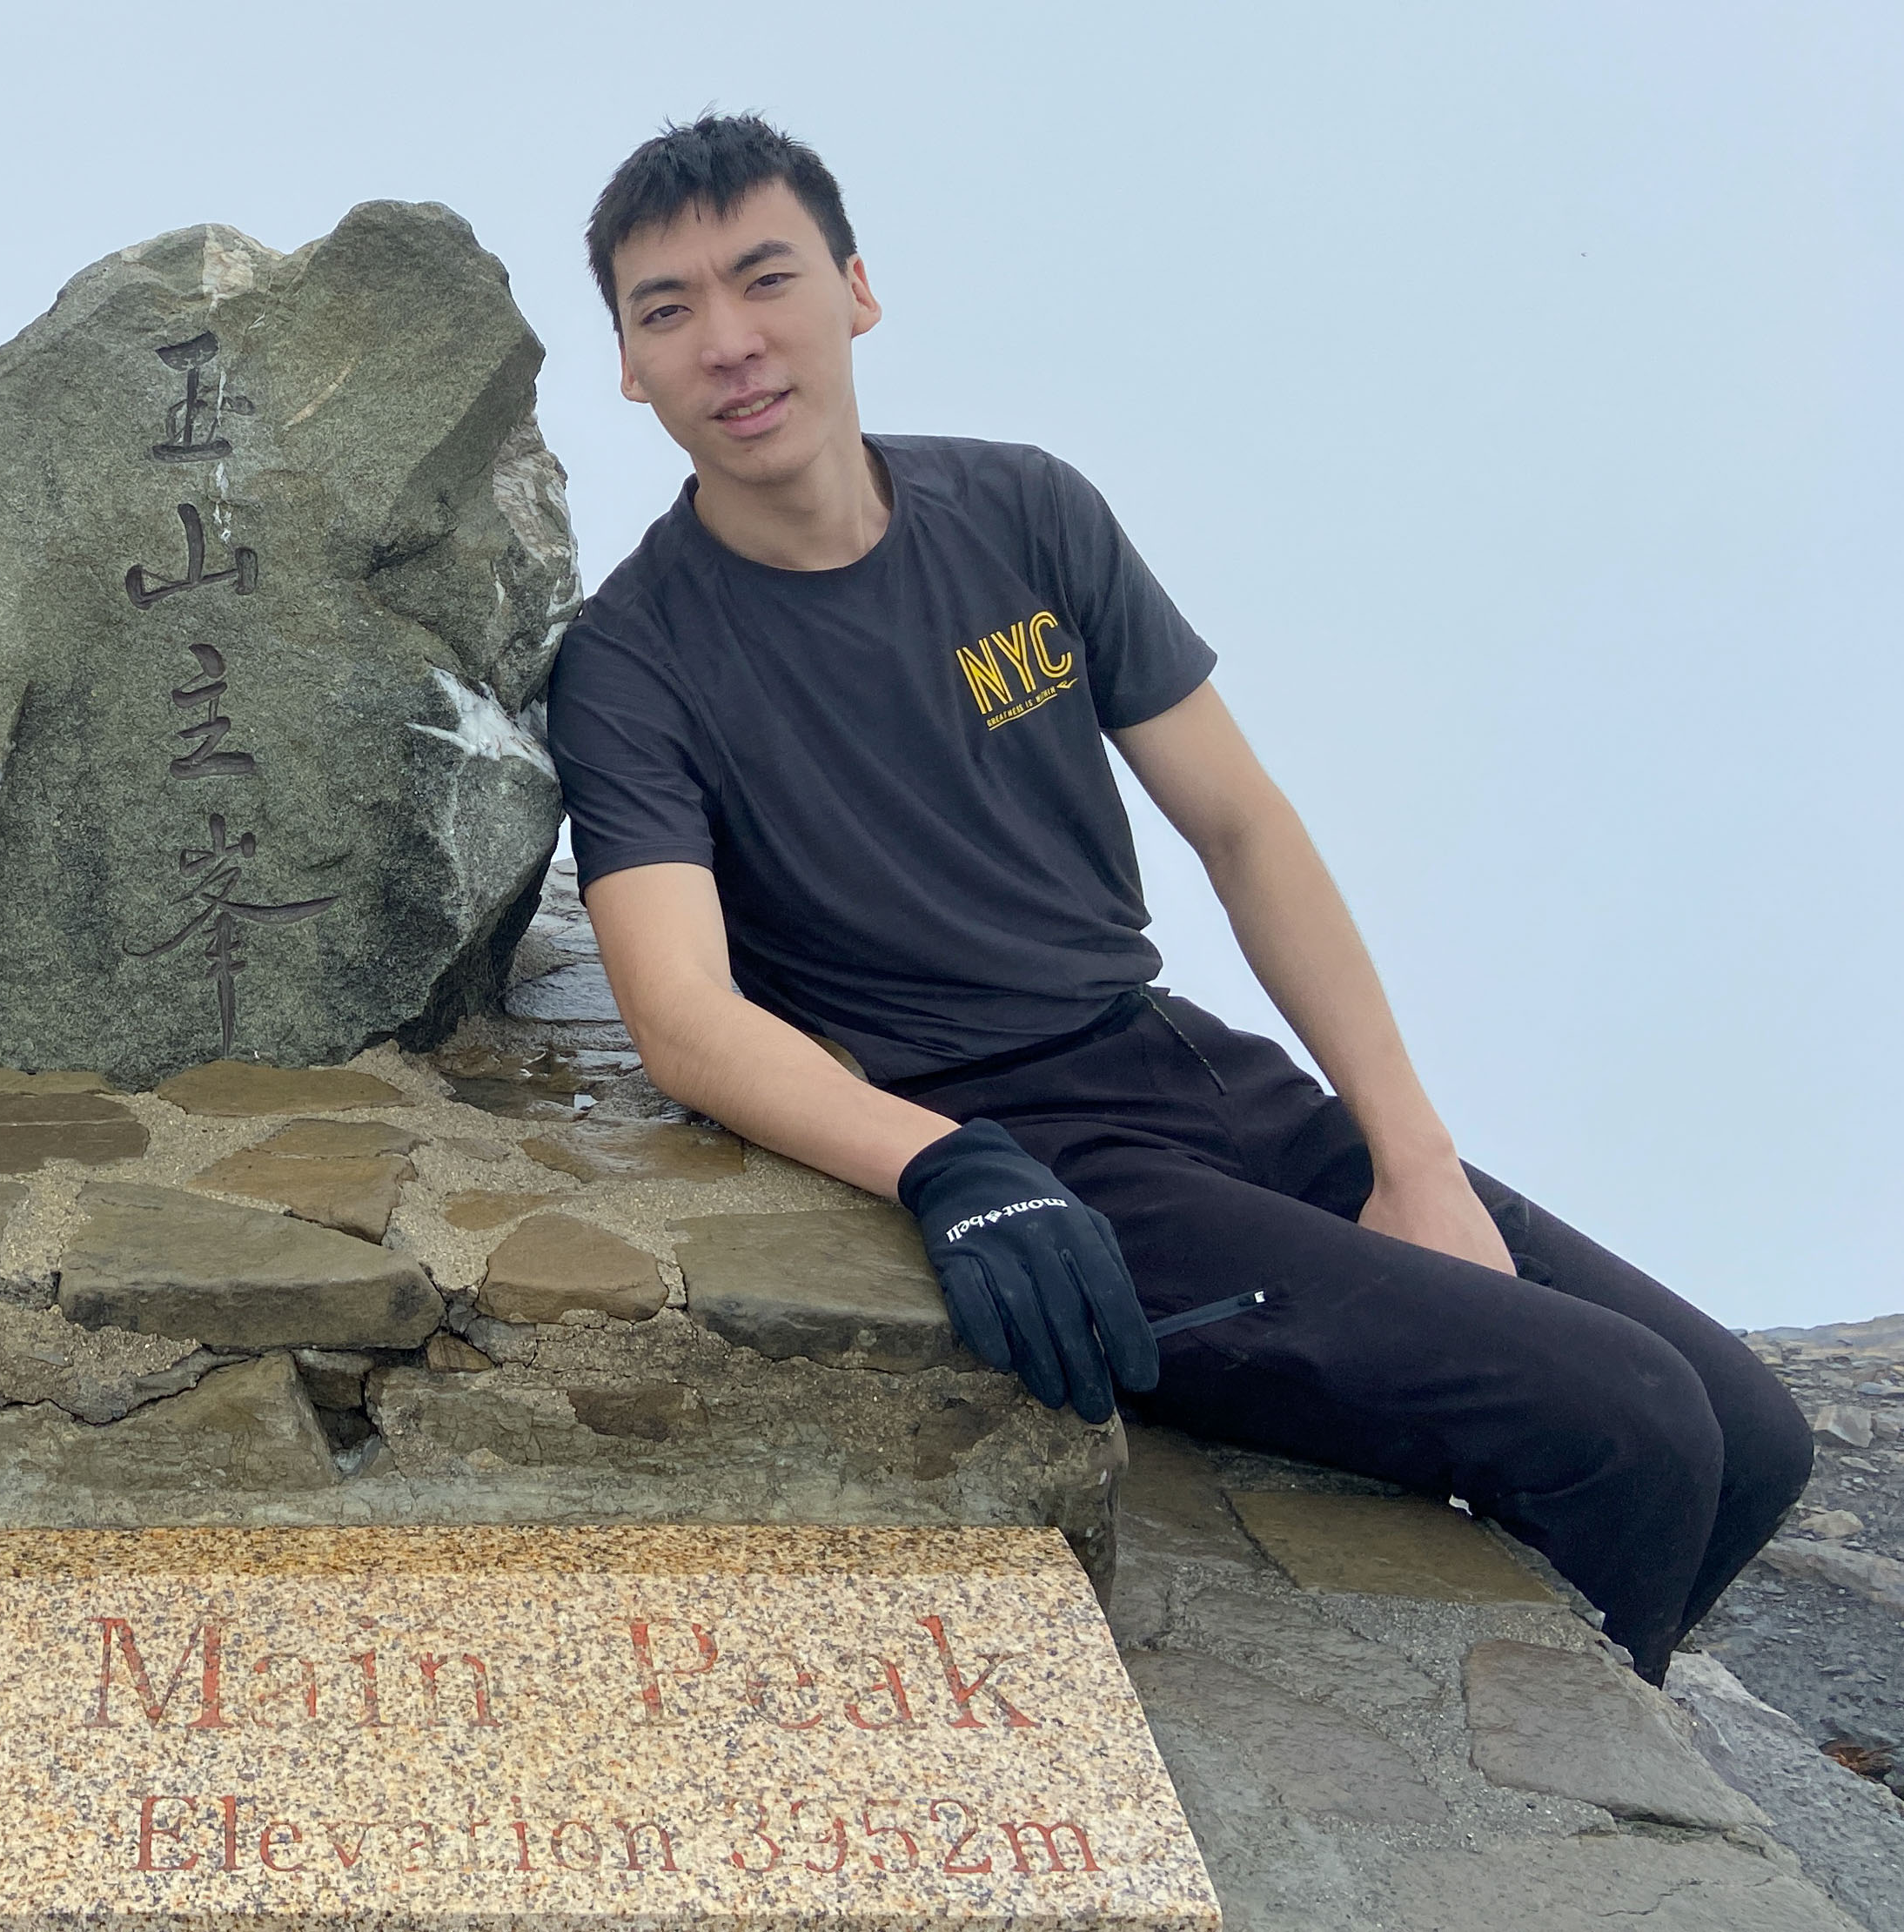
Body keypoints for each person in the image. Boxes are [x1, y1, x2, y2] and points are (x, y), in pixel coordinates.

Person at [549, 114, 1807, 1684]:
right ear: (626, 366)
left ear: (858, 290)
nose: (729, 342)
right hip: (1035, 1147)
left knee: (1754, 1439)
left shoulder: (1026, 512)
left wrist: (1414, 1159)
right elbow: (681, 1015)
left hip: (1189, 1065)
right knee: (1628, 1426)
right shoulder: (629, 662)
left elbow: (1243, 826)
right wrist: (950, 1171)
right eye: (668, 310)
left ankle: (1608, 1729)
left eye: (765, 279)